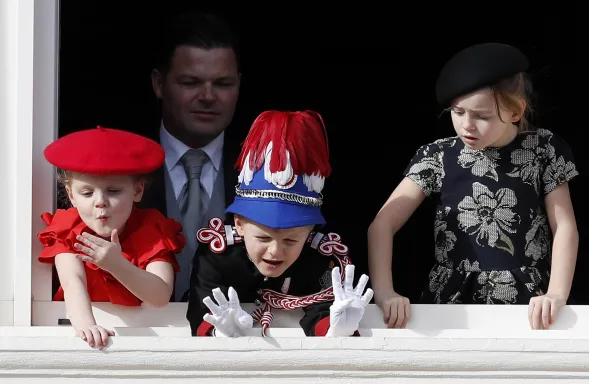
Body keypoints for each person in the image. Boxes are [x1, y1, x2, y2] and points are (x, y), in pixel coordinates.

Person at [367, 43, 579, 330]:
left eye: (482, 116)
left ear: (516, 111)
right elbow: (382, 224)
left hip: (530, 302)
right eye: (458, 112)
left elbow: (564, 226)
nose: (467, 125)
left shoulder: (544, 150)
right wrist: (384, 292)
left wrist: (556, 294)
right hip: (451, 306)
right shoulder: (437, 156)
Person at [186, 110, 374, 337]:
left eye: (290, 240)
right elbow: (202, 307)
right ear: (239, 225)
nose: (275, 251)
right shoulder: (217, 255)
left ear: (310, 231)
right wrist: (219, 333)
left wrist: (337, 330)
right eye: (263, 238)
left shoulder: (320, 259)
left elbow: (324, 312)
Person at [37, 126, 186, 349]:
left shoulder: (151, 228)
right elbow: (72, 281)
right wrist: (87, 326)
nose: (100, 202)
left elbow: (160, 295)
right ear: (71, 195)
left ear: (138, 190)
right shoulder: (68, 228)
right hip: (81, 338)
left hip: (148, 338)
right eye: (87, 193)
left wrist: (116, 264)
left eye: (113, 191)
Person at [141, 11, 243, 302]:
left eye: (223, 84)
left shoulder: (265, 167)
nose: (208, 96)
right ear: (158, 84)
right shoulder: (120, 165)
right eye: (190, 83)